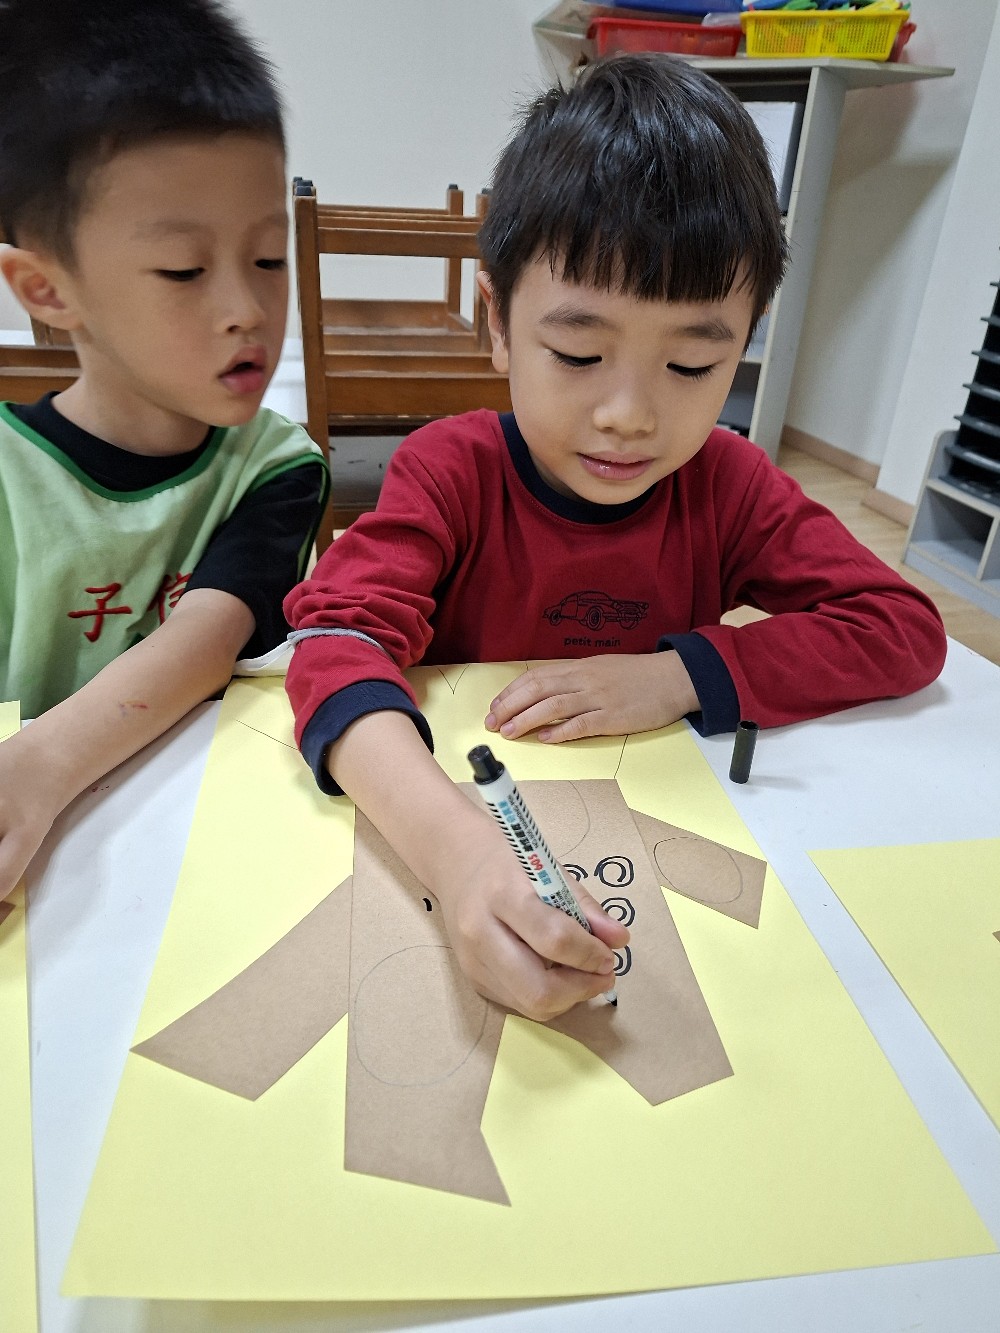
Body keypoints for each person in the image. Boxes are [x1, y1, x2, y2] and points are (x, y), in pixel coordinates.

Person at [283, 54, 946, 1021]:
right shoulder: (449, 471)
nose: (629, 415)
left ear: (746, 339)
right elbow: (336, 642)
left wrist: (680, 674)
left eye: (692, 365)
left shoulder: (727, 484)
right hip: (456, 825)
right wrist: (457, 854)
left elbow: (899, 626)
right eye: (580, 353)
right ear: (498, 322)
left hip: (664, 841)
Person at [0, 0, 329, 901]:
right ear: (47, 289)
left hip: (200, 847)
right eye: (184, 270)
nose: (247, 310)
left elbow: (206, 638)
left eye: (269, 258)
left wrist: (39, 766)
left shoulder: (276, 464)